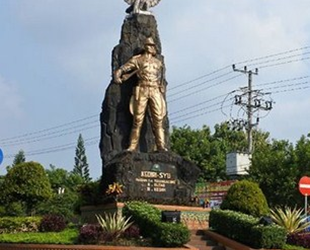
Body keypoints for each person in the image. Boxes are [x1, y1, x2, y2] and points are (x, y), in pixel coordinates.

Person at [114, 37, 167, 152]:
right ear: (145, 46)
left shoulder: (158, 63)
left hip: (155, 90)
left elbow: (161, 79)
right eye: (149, 45)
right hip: (142, 89)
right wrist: (117, 75)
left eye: (152, 45)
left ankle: (161, 146)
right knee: (137, 120)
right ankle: (132, 146)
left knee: (158, 120)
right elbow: (123, 68)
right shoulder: (138, 60)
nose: (151, 47)